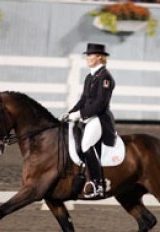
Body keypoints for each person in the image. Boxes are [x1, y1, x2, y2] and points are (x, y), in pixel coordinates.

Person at [63, 43, 116, 198]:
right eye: (87, 55)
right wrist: (70, 113)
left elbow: (100, 104)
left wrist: (79, 114)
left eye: (90, 55)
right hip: (88, 117)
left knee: (86, 144)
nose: (87, 58)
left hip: (100, 118)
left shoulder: (105, 78)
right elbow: (83, 100)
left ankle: (98, 184)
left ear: (99, 57)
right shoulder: (90, 77)